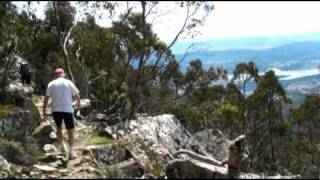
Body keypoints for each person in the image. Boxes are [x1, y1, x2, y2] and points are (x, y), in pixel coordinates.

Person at [43, 68, 81, 159]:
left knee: (59, 128)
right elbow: (77, 95)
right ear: (63, 75)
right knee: (70, 130)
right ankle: (71, 152)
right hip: (68, 109)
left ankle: (63, 146)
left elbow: (46, 98)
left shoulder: (51, 84)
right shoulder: (69, 83)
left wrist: (44, 110)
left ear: (55, 76)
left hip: (56, 110)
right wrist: (78, 106)